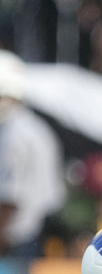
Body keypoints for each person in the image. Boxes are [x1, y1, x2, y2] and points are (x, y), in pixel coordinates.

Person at [0, 49, 66, 257]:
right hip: (42, 232)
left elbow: (9, 200)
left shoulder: (12, 135)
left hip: (18, 241)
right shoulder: (35, 126)